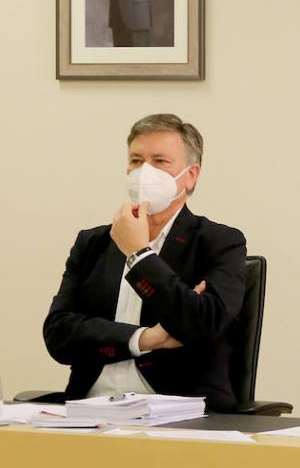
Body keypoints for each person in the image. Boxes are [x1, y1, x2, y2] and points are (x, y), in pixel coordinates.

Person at [43, 114, 247, 411]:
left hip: (180, 415)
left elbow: (202, 324)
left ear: (191, 175)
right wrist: (145, 338)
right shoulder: (94, 242)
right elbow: (59, 335)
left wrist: (139, 255)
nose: (145, 172)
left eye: (160, 161)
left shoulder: (219, 242)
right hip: (89, 411)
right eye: (136, 160)